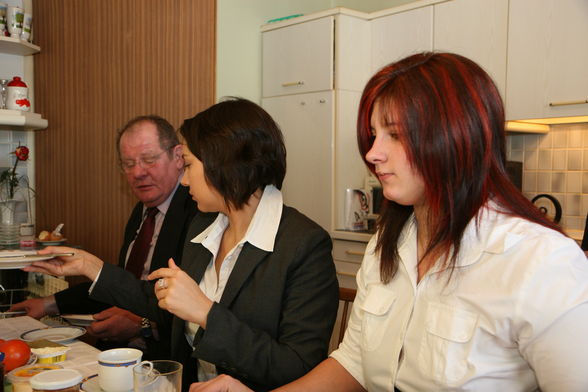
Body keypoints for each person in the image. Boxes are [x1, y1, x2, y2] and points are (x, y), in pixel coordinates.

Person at [186, 53, 588, 392]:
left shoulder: (541, 261)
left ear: (455, 136)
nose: (373, 153)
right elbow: (356, 359)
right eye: (373, 134)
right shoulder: (388, 243)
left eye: (394, 135)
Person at [26, 97, 339, 391]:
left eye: (188, 165)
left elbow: (298, 369)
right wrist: (90, 266)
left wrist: (205, 312)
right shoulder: (206, 224)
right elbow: (164, 301)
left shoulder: (304, 245)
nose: (185, 180)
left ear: (223, 163)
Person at [12, 115, 197, 359]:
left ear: (177, 157)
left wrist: (142, 324)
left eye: (149, 160)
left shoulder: (197, 212)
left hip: (168, 361)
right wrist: (48, 303)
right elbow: (119, 283)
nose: (138, 173)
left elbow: (196, 301)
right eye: (128, 164)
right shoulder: (143, 210)